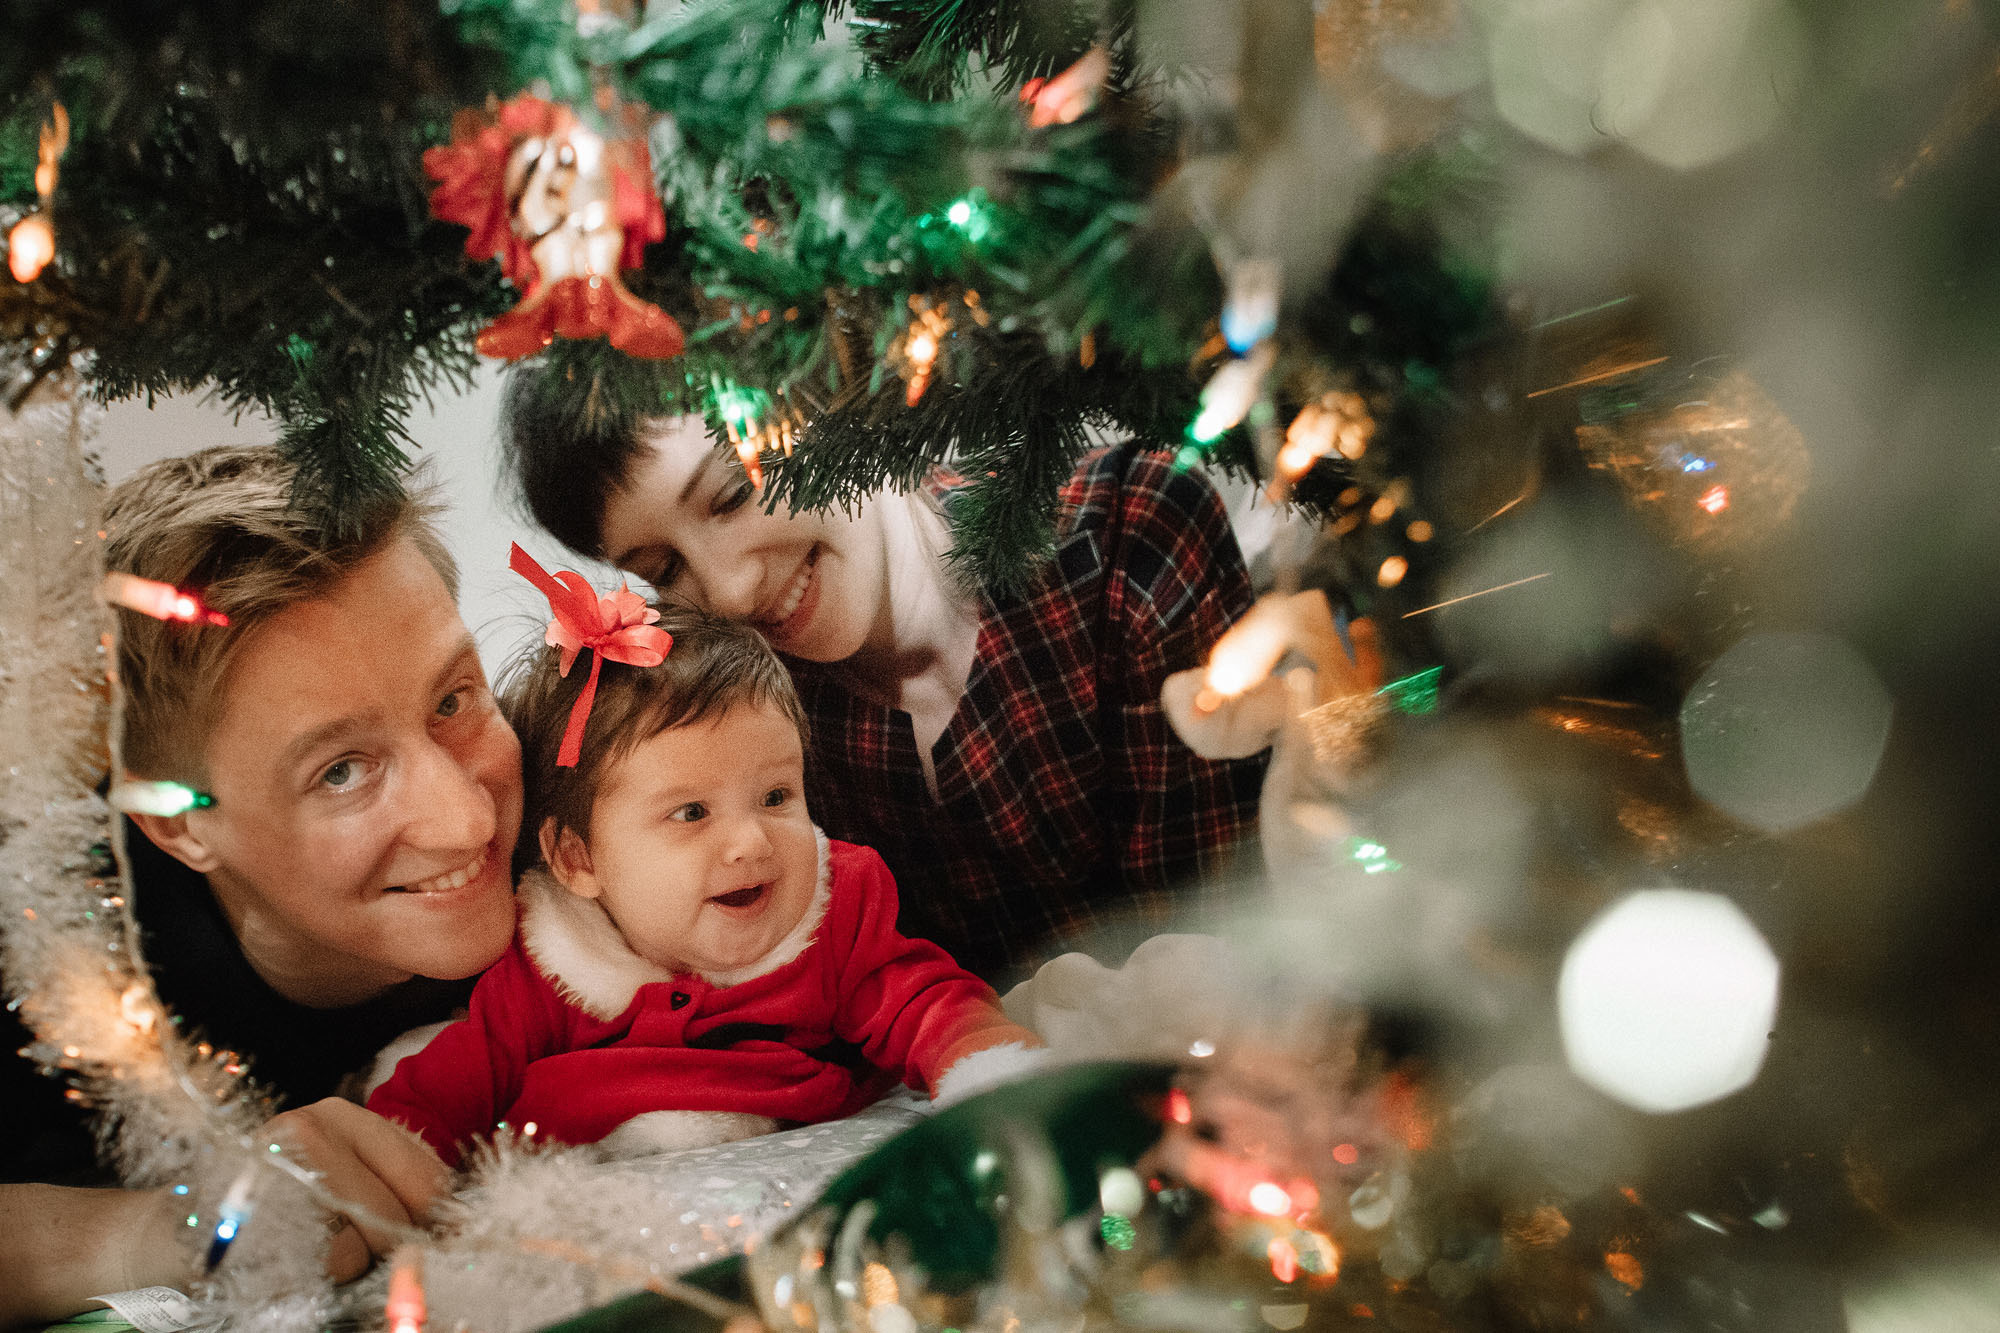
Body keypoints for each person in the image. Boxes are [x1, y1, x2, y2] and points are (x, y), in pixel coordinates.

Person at [502, 376, 1271, 982]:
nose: (730, 594)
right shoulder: (754, 727)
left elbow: (1221, 940)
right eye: (665, 570)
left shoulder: (1123, 531)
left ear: (819, 393)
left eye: (733, 494)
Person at [1, 445, 521, 1325]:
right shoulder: (54, 950)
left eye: (452, 700)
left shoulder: (598, 810)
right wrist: (188, 1224)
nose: (468, 821)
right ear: (178, 826)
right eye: (342, 771)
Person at [369, 574, 1042, 1165]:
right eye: (691, 813)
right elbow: (450, 1086)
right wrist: (392, 1159)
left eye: (776, 796)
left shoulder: (835, 908)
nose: (750, 842)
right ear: (579, 860)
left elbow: (926, 1001)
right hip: (595, 1199)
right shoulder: (548, 961)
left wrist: (988, 1064)